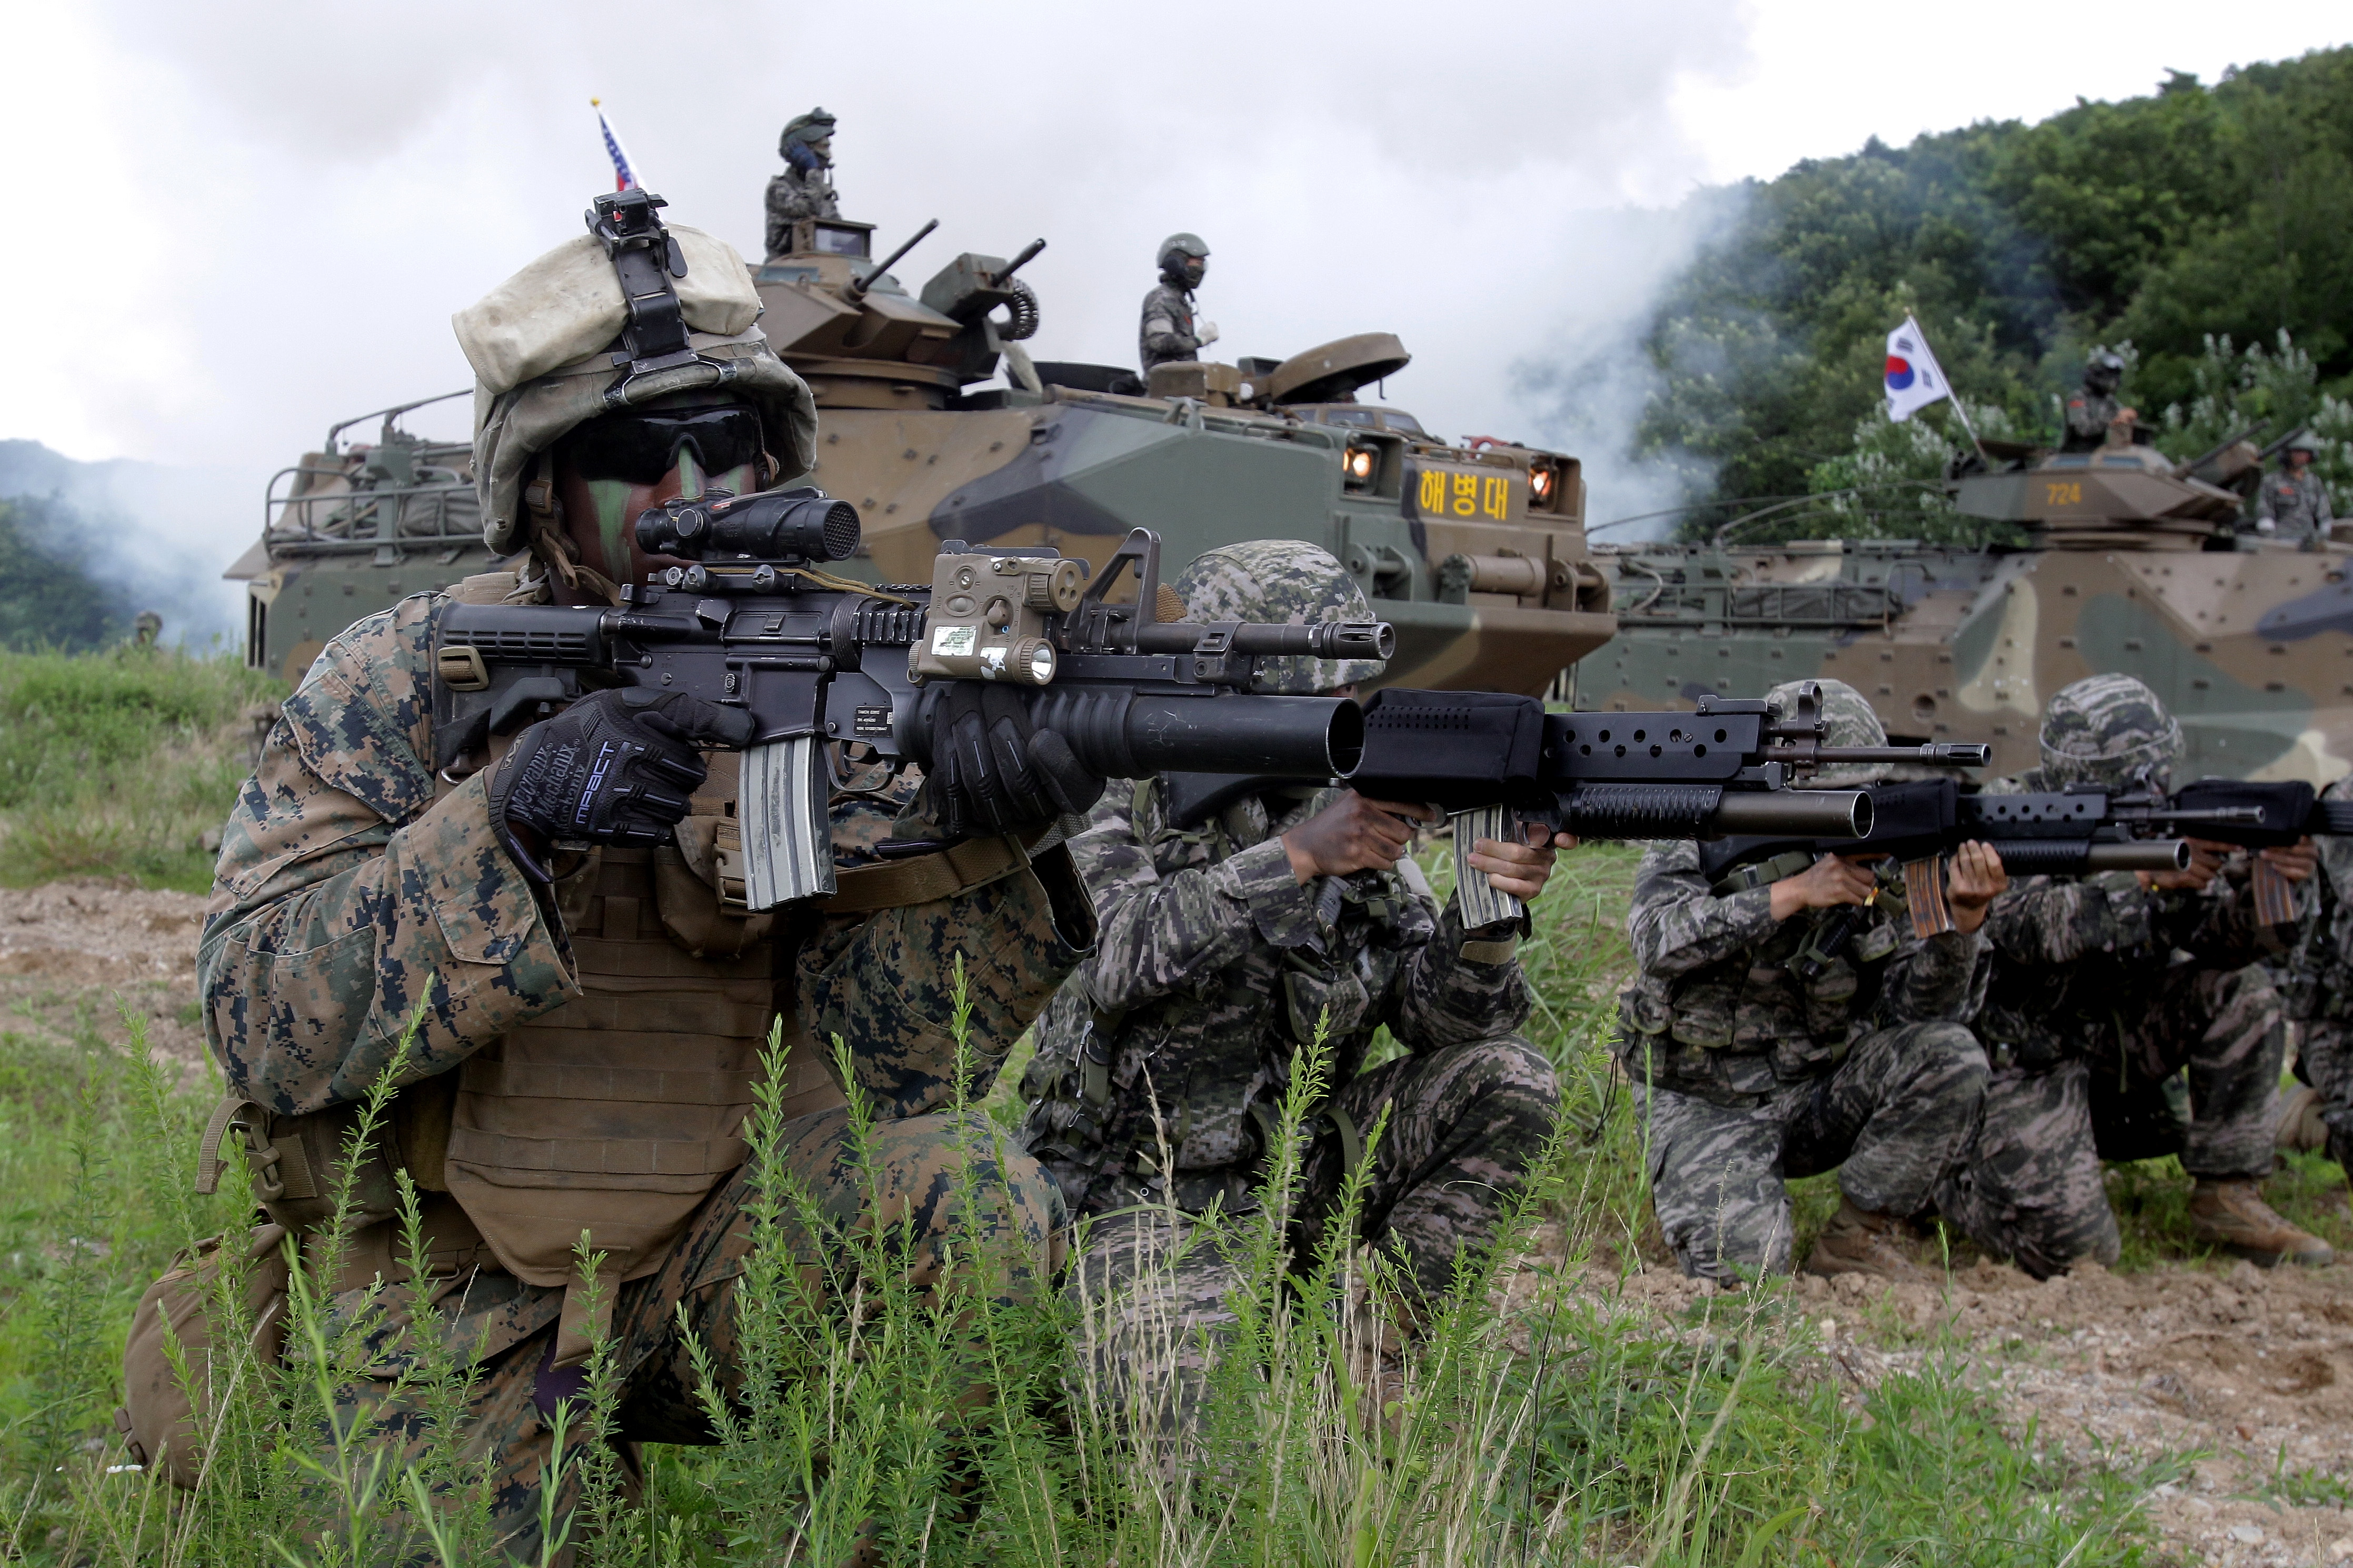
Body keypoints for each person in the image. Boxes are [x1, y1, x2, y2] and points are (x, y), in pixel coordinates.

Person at [161, 193, 1100, 1553]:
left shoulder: (837, 660)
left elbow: (895, 1064)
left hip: (726, 1244)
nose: (686, 493)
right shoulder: (409, 677)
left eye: (722, 446)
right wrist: (510, 824)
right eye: (631, 454)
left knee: (968, 1192)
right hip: (451, 1280)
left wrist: (998, 828)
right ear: (541, 481)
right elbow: (260, 1020)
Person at [1020, 540, 1566, 1422]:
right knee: (1203, 1458)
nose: (1347, 714)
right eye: (1322, 693)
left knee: (1511, 1081)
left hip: (1290, 1182)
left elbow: (1448, 1025)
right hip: (1129, 1198)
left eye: (1355, 692)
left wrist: (1487, 908)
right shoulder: (1111, 790)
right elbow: (1114, 959)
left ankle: (1362, 1340)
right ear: (1231, 690)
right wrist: (1299, 858)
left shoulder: (1350, 815)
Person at [1939, 674, 2330, 1275]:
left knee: (2242, 992)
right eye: (2127, 778)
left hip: (2112, 1043)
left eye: (2154, 773)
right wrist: (2145, 882)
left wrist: (2264, 888)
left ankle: (2228, 1193)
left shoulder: (2162, 819)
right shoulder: (2010, 811)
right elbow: (2025, 929)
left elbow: (2215, 942)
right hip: (2020, 1061)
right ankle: (1948, 1179)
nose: (2148, 789)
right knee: (2080, 1255)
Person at [1619, 679, 2002, 1286]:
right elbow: (1656, 940)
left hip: (1814, 1091)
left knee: (1948, 1056)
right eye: (1828, 798)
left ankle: (1858, 1236)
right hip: (1705, 1098)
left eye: (1858, 797)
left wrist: (1963, 924)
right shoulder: (1703, 827)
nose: (1847, 817)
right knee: (1745, 1279)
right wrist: (1791, 894)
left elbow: (1921, 1012)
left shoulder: (1886, 858)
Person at [763, 106, 839, 258]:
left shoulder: (821, 191)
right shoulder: (779, 189)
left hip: (825, 268)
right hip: (785, 270)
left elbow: (838, 234)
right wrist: (813, 169)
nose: (829, 155)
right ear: (803, 152)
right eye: (823, 147)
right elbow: (809, 211)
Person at [1138, 232, 1217, 376]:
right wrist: (1199, 340)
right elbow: (1159, 342)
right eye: (1198, 263)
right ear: (1178, 263)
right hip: (1164, 388)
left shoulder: (1180, 301)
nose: (1201, 269)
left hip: (1181, 386)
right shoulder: (1162, 298)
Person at [2255, 431, 2335, 549]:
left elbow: (2325, 517)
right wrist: (2271, 541)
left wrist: (2323, 538)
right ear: (2286, 454)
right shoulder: (2272, 482)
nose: (2301, 457)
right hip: (2282, 543)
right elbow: (2265, 516)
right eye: (2297, 452)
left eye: (2305, 453)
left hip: (2310, 544)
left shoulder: (2314, 482)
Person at [2061, 352, 2136, 452]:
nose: (2114, 380)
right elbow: (2083, 430)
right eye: (2110, 374)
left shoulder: (2108, 400)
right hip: (2075, 458)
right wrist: (2113, 420)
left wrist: (2127, 417)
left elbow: (2122, 415)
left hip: (2099, 456)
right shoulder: (2077, 399)